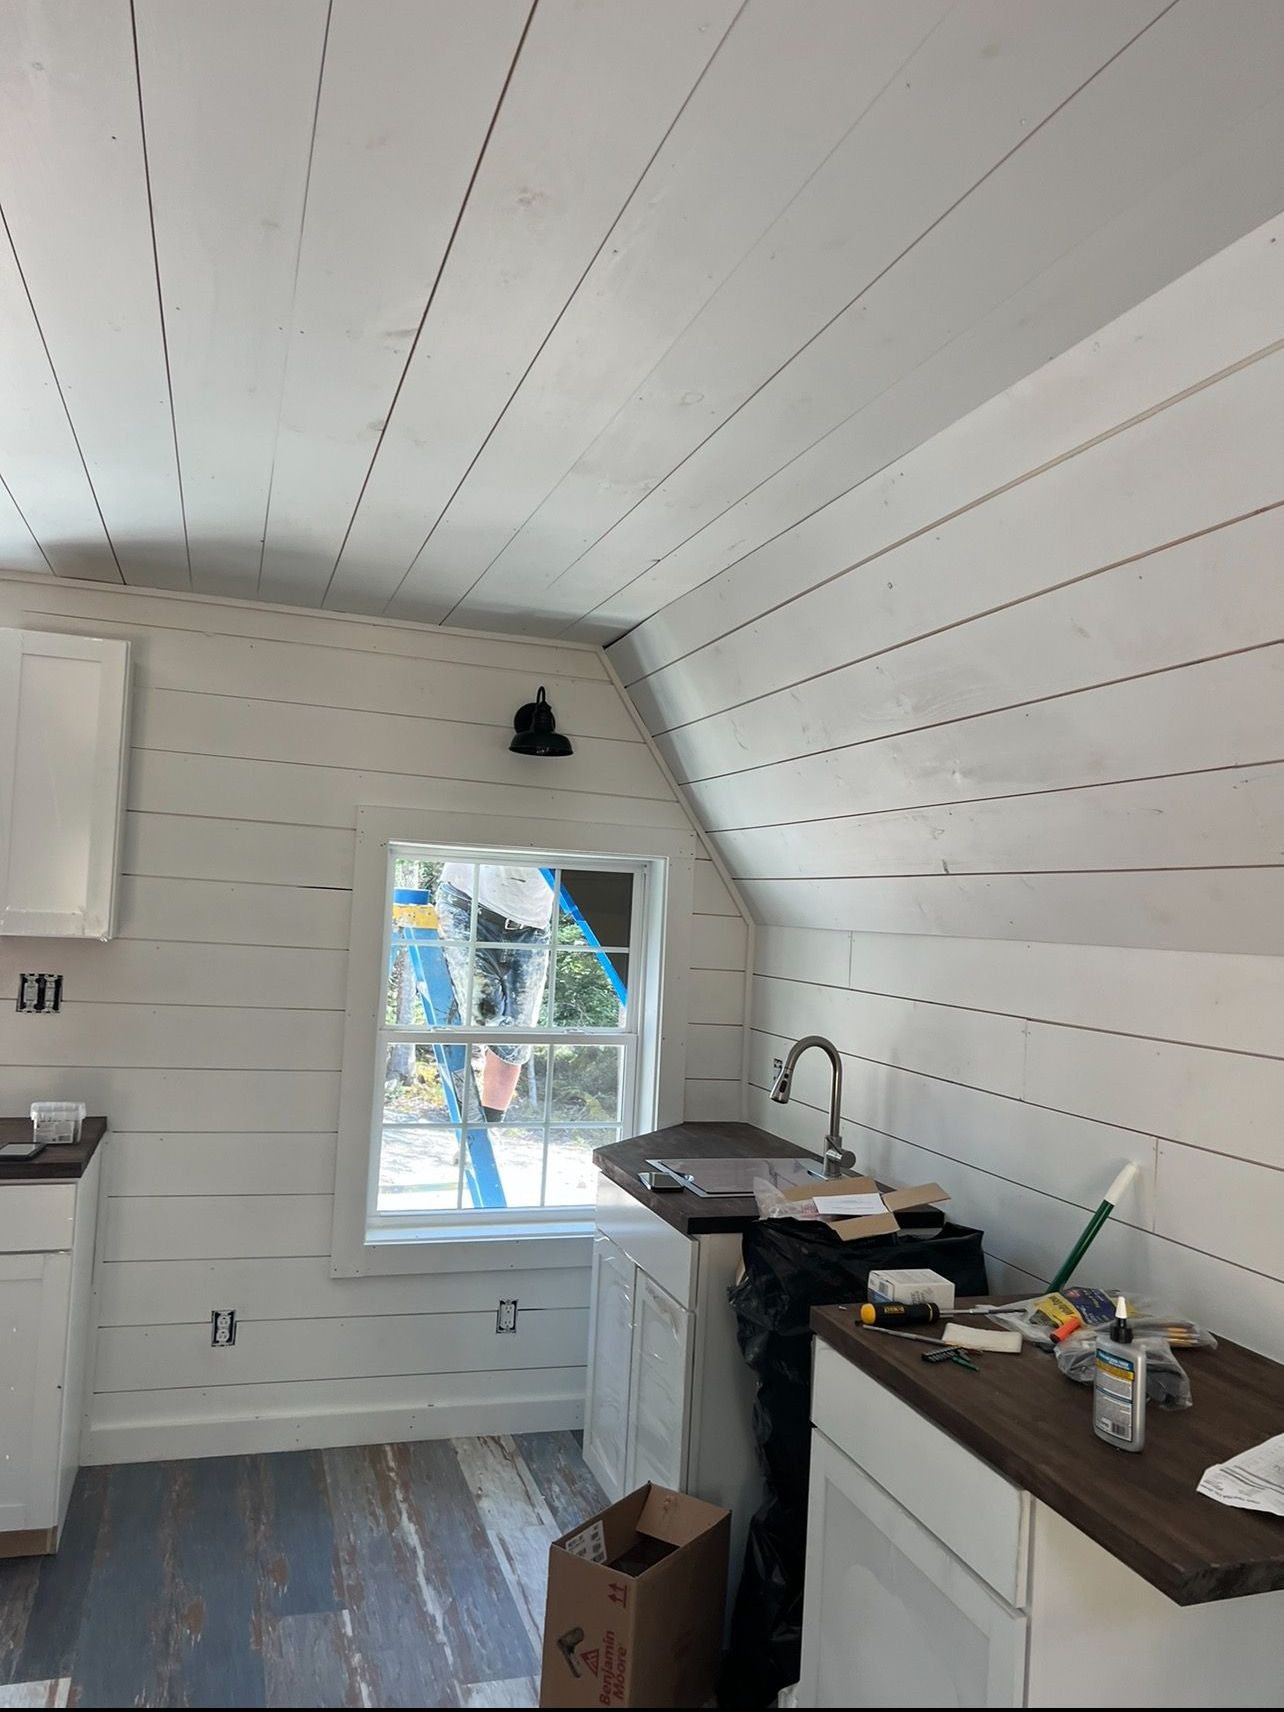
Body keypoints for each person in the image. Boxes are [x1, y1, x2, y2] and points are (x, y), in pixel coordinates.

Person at [436, 862, 553, 1120]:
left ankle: (484, 1135)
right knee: (484, 1013)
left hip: (532, 928)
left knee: (515, 1046)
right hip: (468, 906)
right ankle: (469, 1123)